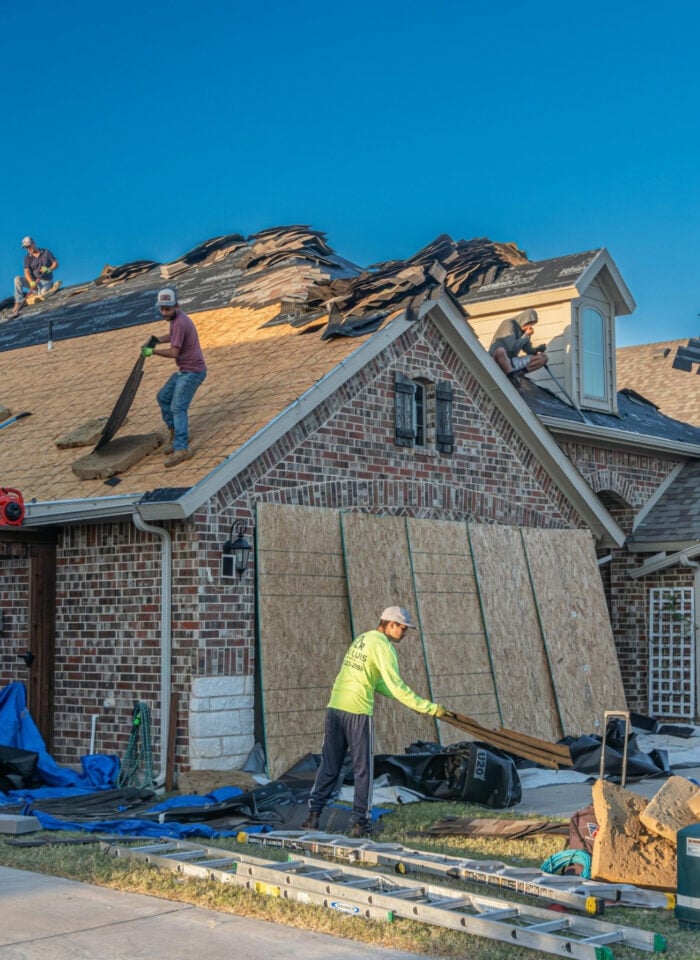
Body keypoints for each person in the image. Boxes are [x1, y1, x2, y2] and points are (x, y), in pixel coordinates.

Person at [301, 606, 446, 838]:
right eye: (403, 628)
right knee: (363, 770)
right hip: (358, 711)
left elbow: (378, 684)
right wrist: (427, 708)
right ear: (390, 624)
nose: (405, 633)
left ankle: (312, 817)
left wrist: (413, 704)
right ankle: (361, 823)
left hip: (335, 708)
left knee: (330, 765)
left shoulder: (362, 639)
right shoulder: (384, 646)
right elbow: (397, 686)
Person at [141, 287, 207, 468]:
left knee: (178, 407)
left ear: (176, 306)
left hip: (192, 371)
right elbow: (173, 336)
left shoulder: (180, 322)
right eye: (162, 309)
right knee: (163, 397)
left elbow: (173, 352)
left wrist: (152, 351)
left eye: (167, 309)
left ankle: (182, 448)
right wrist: (156, 340)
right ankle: (177, 432)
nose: (164, 312)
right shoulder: (176, 319)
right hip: (184, 370)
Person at [488, 308, 548, 377]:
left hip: (511, 361)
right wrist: (526, 335)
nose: (529, 327)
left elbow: (528, 351)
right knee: (500, 351)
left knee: (543, 358)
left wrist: (538, 349)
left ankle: (520, 373)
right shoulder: (508, 324)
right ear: (523, 319)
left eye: (531, 325)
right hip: (497, 359)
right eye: (528, 323)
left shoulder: (524, 332)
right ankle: (511, 376)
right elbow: (512, 347)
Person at [11, 236, 60, 317]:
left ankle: (34, 294)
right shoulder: (27, 258)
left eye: (29, 246)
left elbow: (56, 264)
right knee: (17, 279)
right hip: (34, 282)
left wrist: (49, 269)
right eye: (26, 247)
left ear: (33, 244)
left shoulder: (46, 252)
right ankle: (18, 302)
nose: (28, 249)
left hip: (45, 281)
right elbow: (26, 271)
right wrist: (31, 282)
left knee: (42, 296)